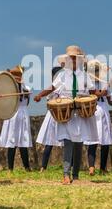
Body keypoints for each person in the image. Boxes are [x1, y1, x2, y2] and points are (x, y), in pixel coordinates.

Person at [34, 46, 99, 184]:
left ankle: (75, 175)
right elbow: (52, 88)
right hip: (67, 112)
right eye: (71, 58)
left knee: (78, 143)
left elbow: (93, 91)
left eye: (75, 58)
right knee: (68, 142)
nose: (73, 60)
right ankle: (66, 174)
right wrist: (40, 95)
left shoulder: (86, 76)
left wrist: (100, 93)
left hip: (80, 113)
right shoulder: (62, 75)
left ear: (80, 60)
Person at [0, 65, 32, 172]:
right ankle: (25, 167)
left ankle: (11, 168)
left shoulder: (13, 89)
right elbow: (28, 103)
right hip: (21, 113)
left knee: (15, 141)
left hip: (13, 112)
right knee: (21, 140)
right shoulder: (27, 88)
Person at [85, 60, 112, 175]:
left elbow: (110, 102)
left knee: (105, 140)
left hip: (103, 110)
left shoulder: (103, 83)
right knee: (93, 139)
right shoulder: (88, 83)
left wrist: (109, 94)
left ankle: (102, 168)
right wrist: (106, 89)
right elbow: (97, 94)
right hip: (93, 110)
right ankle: (91, 167)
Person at [35, 67, 64, 172]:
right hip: (52, 115)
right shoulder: (52, 89)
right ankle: (43, 166)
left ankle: (70, 166)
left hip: (64, 114)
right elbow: (48, 104)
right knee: (49, 141)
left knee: (67, 141)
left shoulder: (65, 86)